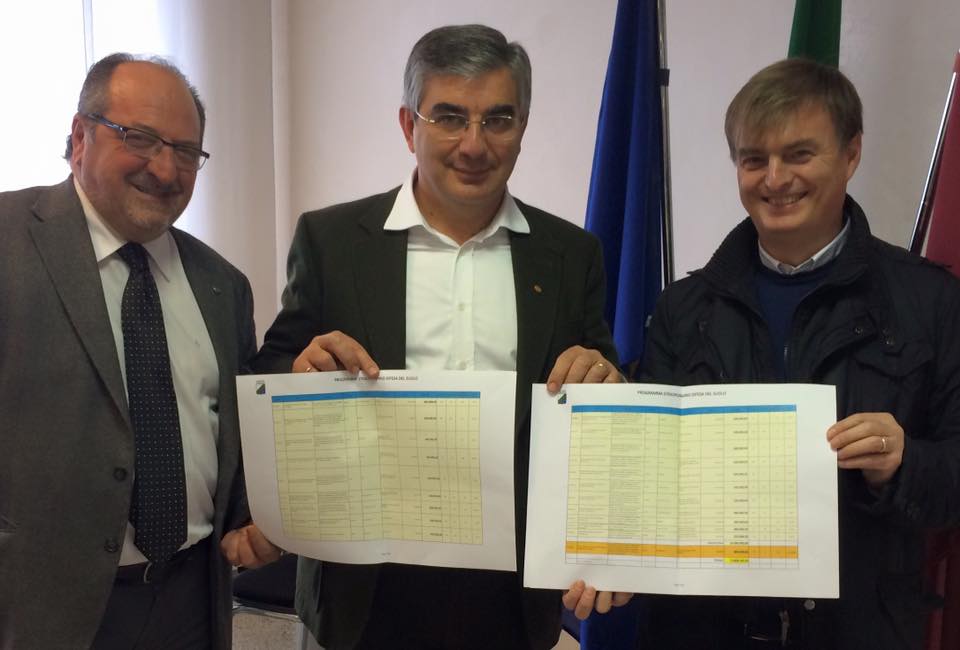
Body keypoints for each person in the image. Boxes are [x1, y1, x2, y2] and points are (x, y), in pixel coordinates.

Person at [254, 23, 628, 650]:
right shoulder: (332, 241)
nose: (474, 144)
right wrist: (299, 371)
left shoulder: (571, 254)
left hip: (511, 597)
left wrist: (606, 378)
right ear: (409, 126)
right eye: (449, 117)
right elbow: (270, 370)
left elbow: (601, 400)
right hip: (362, 592)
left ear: (522, 126)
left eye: (498, 119)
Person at [639, 57, 960, 649]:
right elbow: (650, 477)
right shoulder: (683, 308)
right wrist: (608, 561)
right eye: (753, 159)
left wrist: (903, 462)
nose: (775, 178)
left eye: (799, 154)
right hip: (703, 633)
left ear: (851, 154)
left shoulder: (932, 301)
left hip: (861, 633)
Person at [0, 53, 278, 649]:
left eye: (186, 151)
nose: (166, 168)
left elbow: (226, 437)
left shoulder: (222, 285)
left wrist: (255, 515)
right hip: (39, 607)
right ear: (80, 137)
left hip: (192, 599)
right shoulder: (9, 240)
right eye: (140, 138)